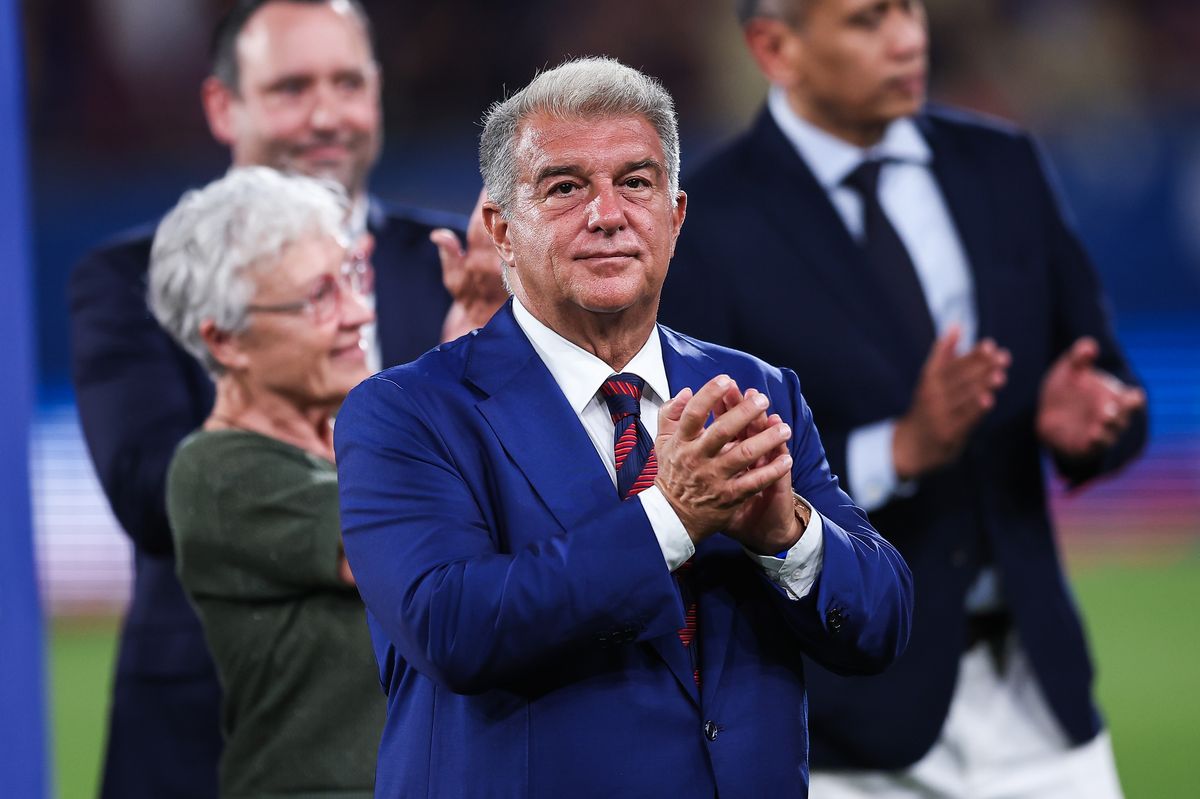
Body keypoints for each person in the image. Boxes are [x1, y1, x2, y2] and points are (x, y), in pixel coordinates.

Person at [334, 56, 913, 798]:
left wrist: (788, 534)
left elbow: (882, 622)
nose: (607, 213)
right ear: (502, 230)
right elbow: (451, 627)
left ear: (674, 218)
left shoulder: (755, 390)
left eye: (635, 182)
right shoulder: (406, 412)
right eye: (565, 186)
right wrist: (672, 516)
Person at [657, 1, 1149, 797]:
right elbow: (702, 473)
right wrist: (897, 450)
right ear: (774, 47)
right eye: (867, 19)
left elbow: (1110, 380)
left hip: (1038, 698)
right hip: (846, 723)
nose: (909, 38)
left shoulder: (1003, 166)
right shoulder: (707, 223)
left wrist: (1088, 422)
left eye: (912, 10)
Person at [67, 1, 502, 796]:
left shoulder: (456, 262)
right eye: (293, 87)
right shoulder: (136, 278)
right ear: (222, 105)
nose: (327, 114)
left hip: (430, 738)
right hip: (212, 734)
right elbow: (153, 487)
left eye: (347, 82)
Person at [148, 167, 381, 798]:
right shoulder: (216, 471)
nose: (358, 311)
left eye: (352, 279)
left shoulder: (351, 446)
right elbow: (405, 552)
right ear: (226, 341)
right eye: (318, 298)